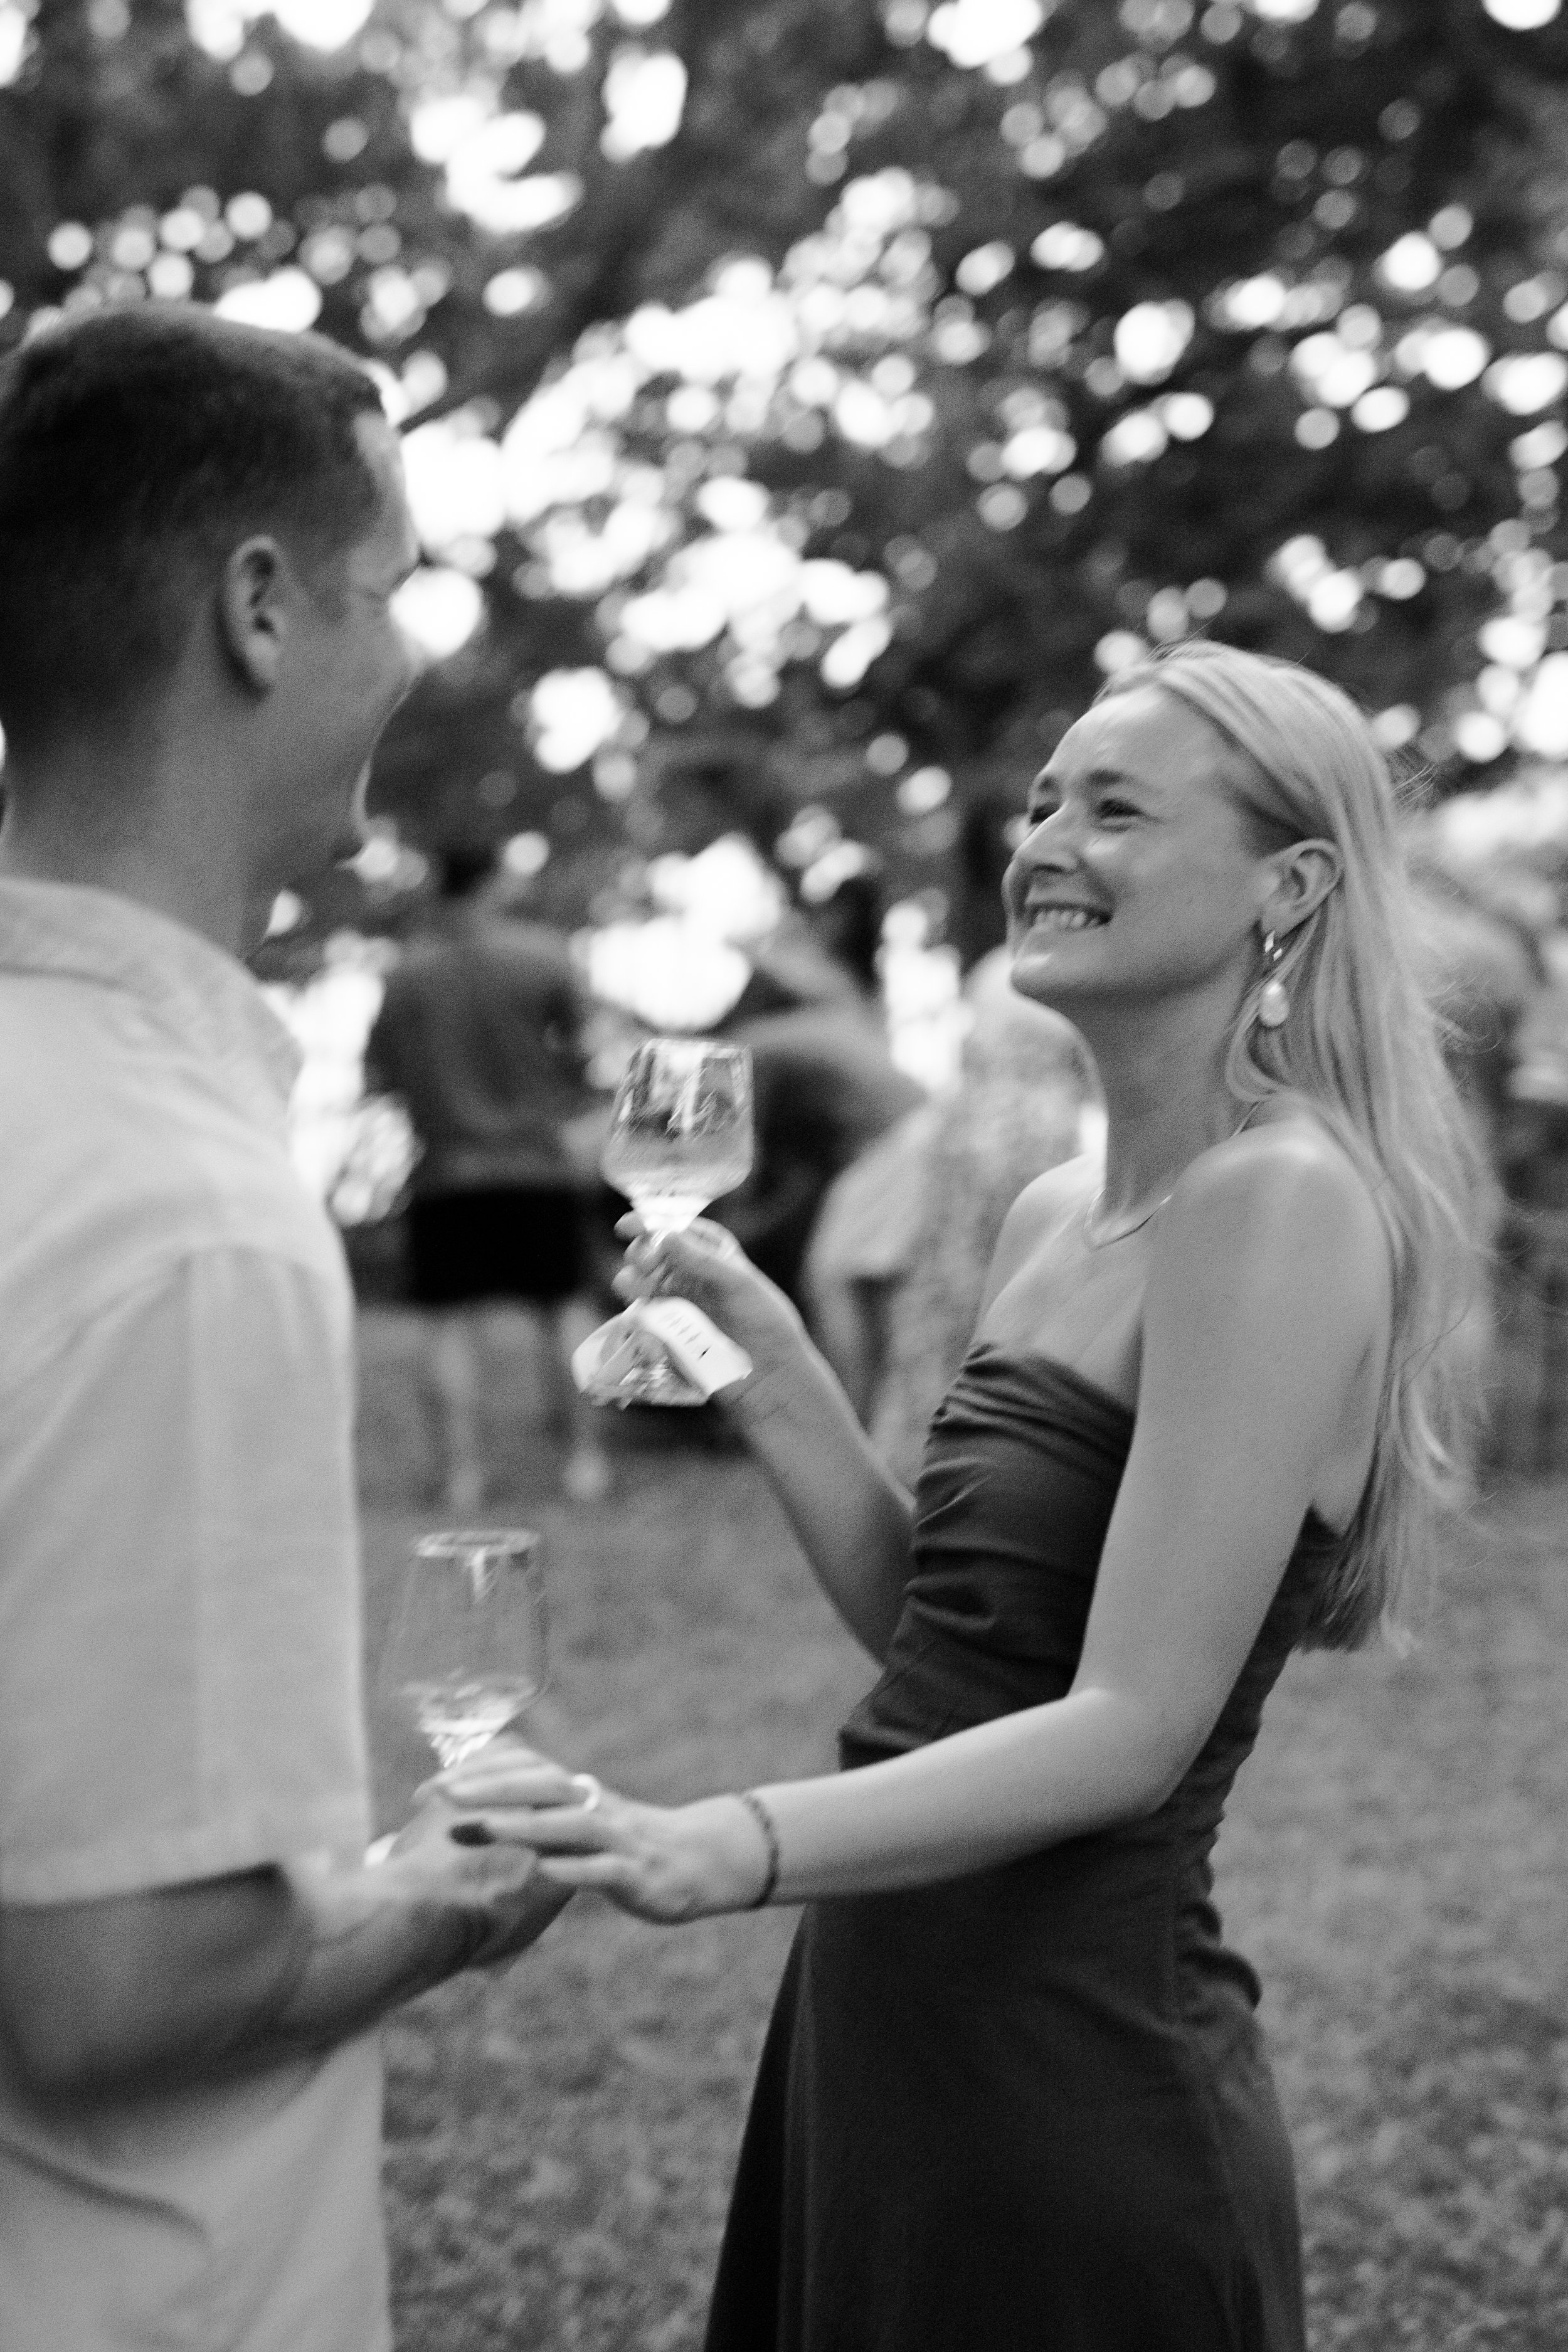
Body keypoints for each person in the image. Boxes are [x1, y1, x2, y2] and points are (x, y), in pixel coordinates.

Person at [443, 642, 1485, 2352]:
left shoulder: (1281, 1201)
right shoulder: (1049, 1212)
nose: (1045, 840)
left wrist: (726, 1839)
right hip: (882, 2015)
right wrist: (774, 1367)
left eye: (1117, 809)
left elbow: (1128, 1727)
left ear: (1288, 886)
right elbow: (948, 1640)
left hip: (1068, 2067)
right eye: (1046, 800)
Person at [0, 304, 569, 2352]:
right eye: (391, 586)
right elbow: (114, 1986)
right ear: (258, 607)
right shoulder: (180, 1213)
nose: (406, 655)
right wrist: (451, 1886)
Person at [364, 844, 611, 1508]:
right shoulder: (544, 956)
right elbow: (586, 1055)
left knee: (447, 1324)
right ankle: (585, 1465)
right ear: (493, 883)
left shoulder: (406, 973)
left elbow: (380, 1074)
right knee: (565, 1308)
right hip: (540, 1166)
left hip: (445, 1173)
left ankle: (462, 1477)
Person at [714, 860, 925, 1306]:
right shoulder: (850, 1004)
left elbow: (740, 945)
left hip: (882, 1146)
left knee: (829, 1277)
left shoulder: (793, 1023)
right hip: (895, 1137)